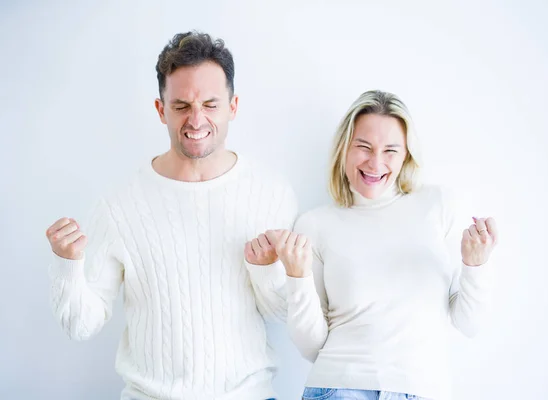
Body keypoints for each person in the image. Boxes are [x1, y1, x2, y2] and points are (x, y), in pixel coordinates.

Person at [45, 31, 296, 400]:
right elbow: (81, 325)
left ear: (233, 106)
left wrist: (266, 267)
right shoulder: (118, 205)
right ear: (161, 110)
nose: (196, 120)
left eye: (210, 104)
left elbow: (282, 313)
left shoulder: (272, 193)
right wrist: (67, 265)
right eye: (181, 106)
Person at [269, 90, 498, 400]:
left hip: (421, 389)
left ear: (406, 155)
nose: (375, 163)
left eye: (390, 150)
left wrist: (476, 264)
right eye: (363, 147)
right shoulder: (316, 224)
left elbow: (469, 324)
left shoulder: (438, 205)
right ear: (344, 149)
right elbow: (311, 346)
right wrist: (297, 279)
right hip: (338, 387)